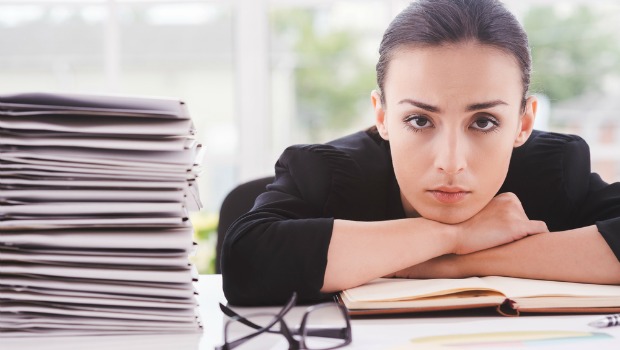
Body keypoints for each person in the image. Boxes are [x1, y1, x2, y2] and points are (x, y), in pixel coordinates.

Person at [221, 0, 620, 306]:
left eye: (483, 122)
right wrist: (459, 234)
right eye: (420, 120)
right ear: (382, 116)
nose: (450, 161)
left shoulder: (554, 171)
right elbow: (246, 261)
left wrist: (452, 263)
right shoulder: (325, 172)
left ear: (523, 123)